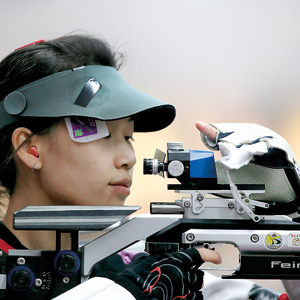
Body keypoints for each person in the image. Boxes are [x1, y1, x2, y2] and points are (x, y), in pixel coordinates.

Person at [0, 34, 288, 300]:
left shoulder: (149, 269)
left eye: (128, 137)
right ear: (29, 148)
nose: (129, 157)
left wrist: (290, 210)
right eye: (103, 135)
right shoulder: (138, 283)